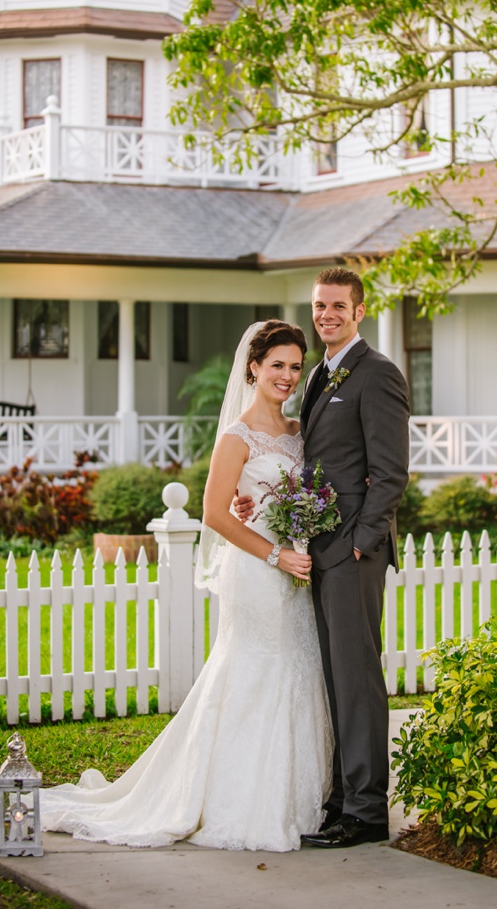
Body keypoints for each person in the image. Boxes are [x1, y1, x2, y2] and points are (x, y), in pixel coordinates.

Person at [40, 320, 333, 851]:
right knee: (252, 670)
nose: (288, 376)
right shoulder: (236, 436)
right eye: (277, 366)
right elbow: (215, 515)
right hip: (259, 571)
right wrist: (274, 553)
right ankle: (237, 799)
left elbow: (288, 495)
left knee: (299, 667)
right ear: (254, 368)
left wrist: (298, 533)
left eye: (295, 367)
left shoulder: (298, 432)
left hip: (297, 567)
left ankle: (301, 796)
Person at [236, 268, 410, 849]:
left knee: (357, 679)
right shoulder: (318, 376)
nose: (327, 314)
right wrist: (261, 500)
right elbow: (310, 463)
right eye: (319, 305)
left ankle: (366, 813)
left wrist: (360, 541)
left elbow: (390, 473)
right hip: (320, 548)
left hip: (352, 551)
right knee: (336, 678)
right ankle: (342, 800)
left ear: (360, 311)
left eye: (338, 305)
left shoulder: (377, 374)